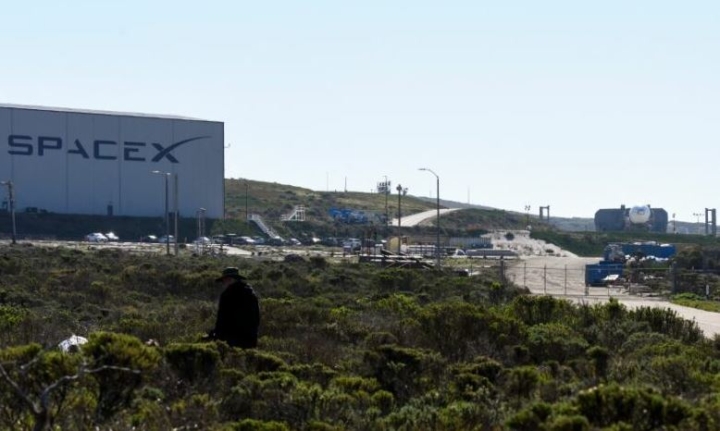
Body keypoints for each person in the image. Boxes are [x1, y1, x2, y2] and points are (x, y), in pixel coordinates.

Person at [205, 267, 260, 348]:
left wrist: (216, 335)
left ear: (230, 279)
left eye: (224, 280)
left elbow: (222, 319)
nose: (223, 283)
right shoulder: (250, 293)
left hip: (231, 341)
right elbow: (256, 318)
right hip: (250, 340)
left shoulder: (227, 295)